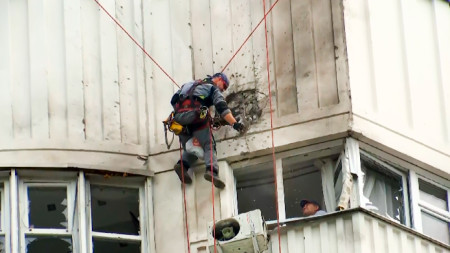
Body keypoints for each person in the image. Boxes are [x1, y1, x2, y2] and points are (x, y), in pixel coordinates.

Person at [170, 72, 245, 189]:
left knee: (194, 147)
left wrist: (185, 112)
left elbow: (173, 100)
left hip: (179, 120)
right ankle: (212, 172)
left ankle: (182, 165)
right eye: (224, 86)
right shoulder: (212, 88)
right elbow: (222, 108)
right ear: (218, 79)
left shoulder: (188, 84)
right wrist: (234, 124)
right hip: (196, 118)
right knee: (208, 145)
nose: (223, 90)